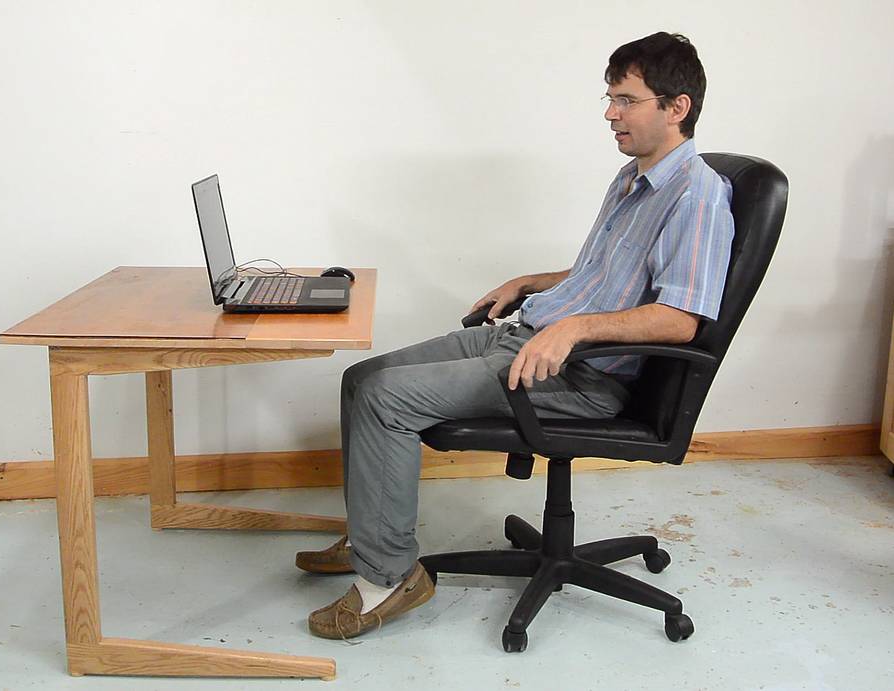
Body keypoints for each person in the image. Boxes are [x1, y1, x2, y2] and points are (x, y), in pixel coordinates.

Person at [298, 31, 735, 640]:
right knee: (362, 378)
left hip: (581, 377)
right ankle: (370, 540)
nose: (610, 114)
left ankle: (388, 580)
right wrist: (531, 282)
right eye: (609, 98)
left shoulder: (699, 198)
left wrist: (575, 327)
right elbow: (601, 277)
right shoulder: (633, 177)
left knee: (385, 399)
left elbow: (681, 318)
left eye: (626, 100)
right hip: (528, 336)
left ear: (676, 107)